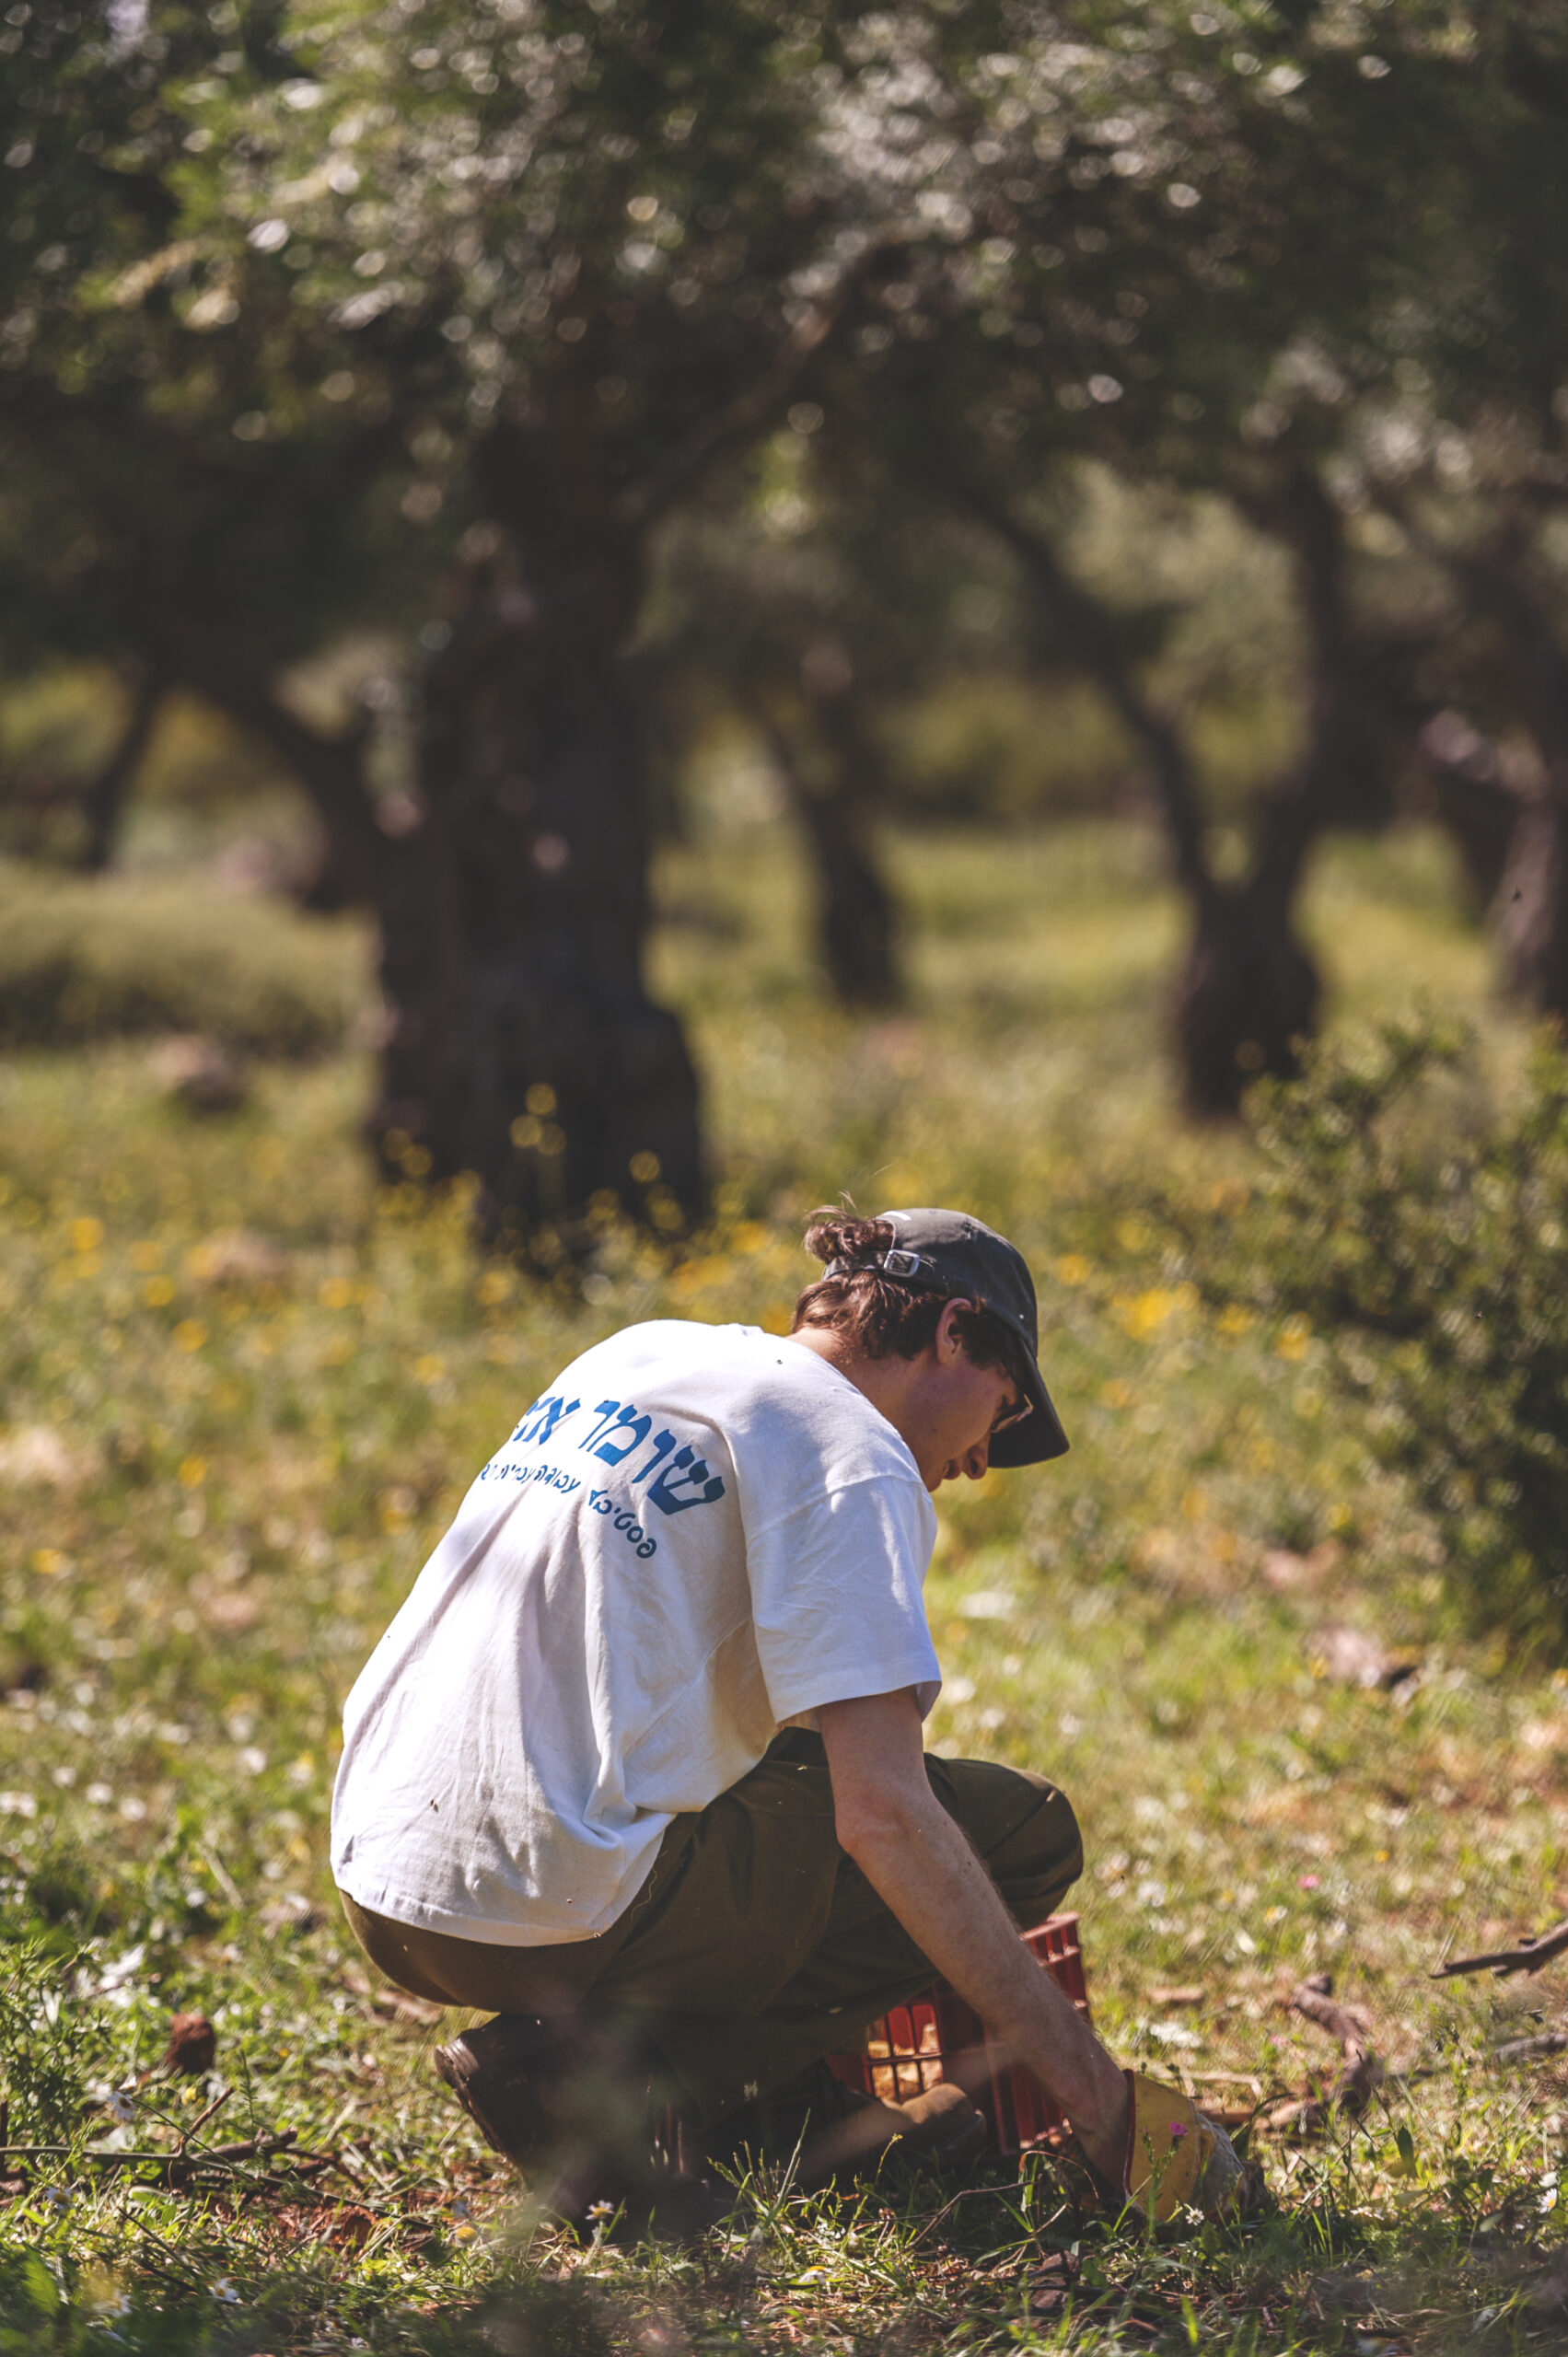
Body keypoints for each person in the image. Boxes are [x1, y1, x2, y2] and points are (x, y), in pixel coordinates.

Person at [330, 1208, 1238, 2228]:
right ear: (951, 1333)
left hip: (384, 1882)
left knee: (799, 1791)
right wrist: (1100, 2101)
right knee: (1014, 1827)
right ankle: (610, 2080)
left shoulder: (642, 1353)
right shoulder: (850, 1450)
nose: (985, 1456)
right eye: (1005, 1403)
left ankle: (770, 2107)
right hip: (542, 1909)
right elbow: (882, 1819)